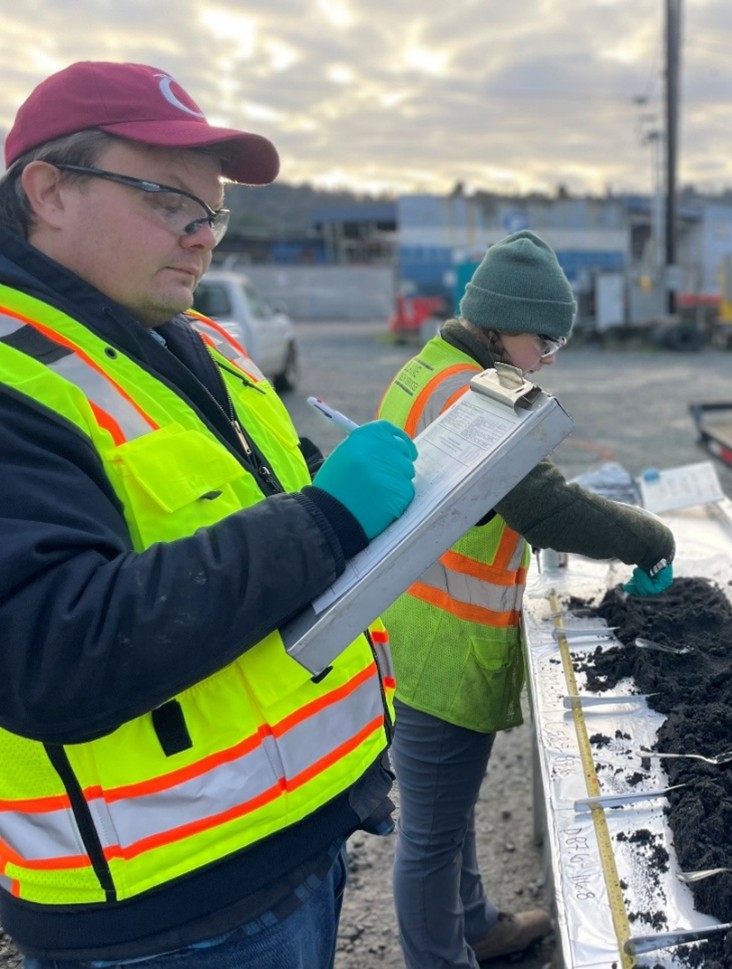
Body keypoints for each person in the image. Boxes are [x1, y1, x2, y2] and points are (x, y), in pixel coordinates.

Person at [0, 62, 421, 966]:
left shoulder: (194, 339)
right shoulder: (13, 377)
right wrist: (328, 516)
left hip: (285, 841)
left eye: (213, 213)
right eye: (166, 200)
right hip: (160, 916)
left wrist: (403, 505)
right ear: (48, 192)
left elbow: (259, 506)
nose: (202, 238)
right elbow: (48, 647)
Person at [376, 230, 675, 967]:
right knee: (430, 832)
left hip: (412, 627)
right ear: (501, 326)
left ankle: (477, 923)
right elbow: (542, 505)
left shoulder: (433, 368)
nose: (544, 358)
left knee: (449, 811)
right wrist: (648, 537)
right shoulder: (469, 395)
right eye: (543, 340)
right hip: (440, 643)